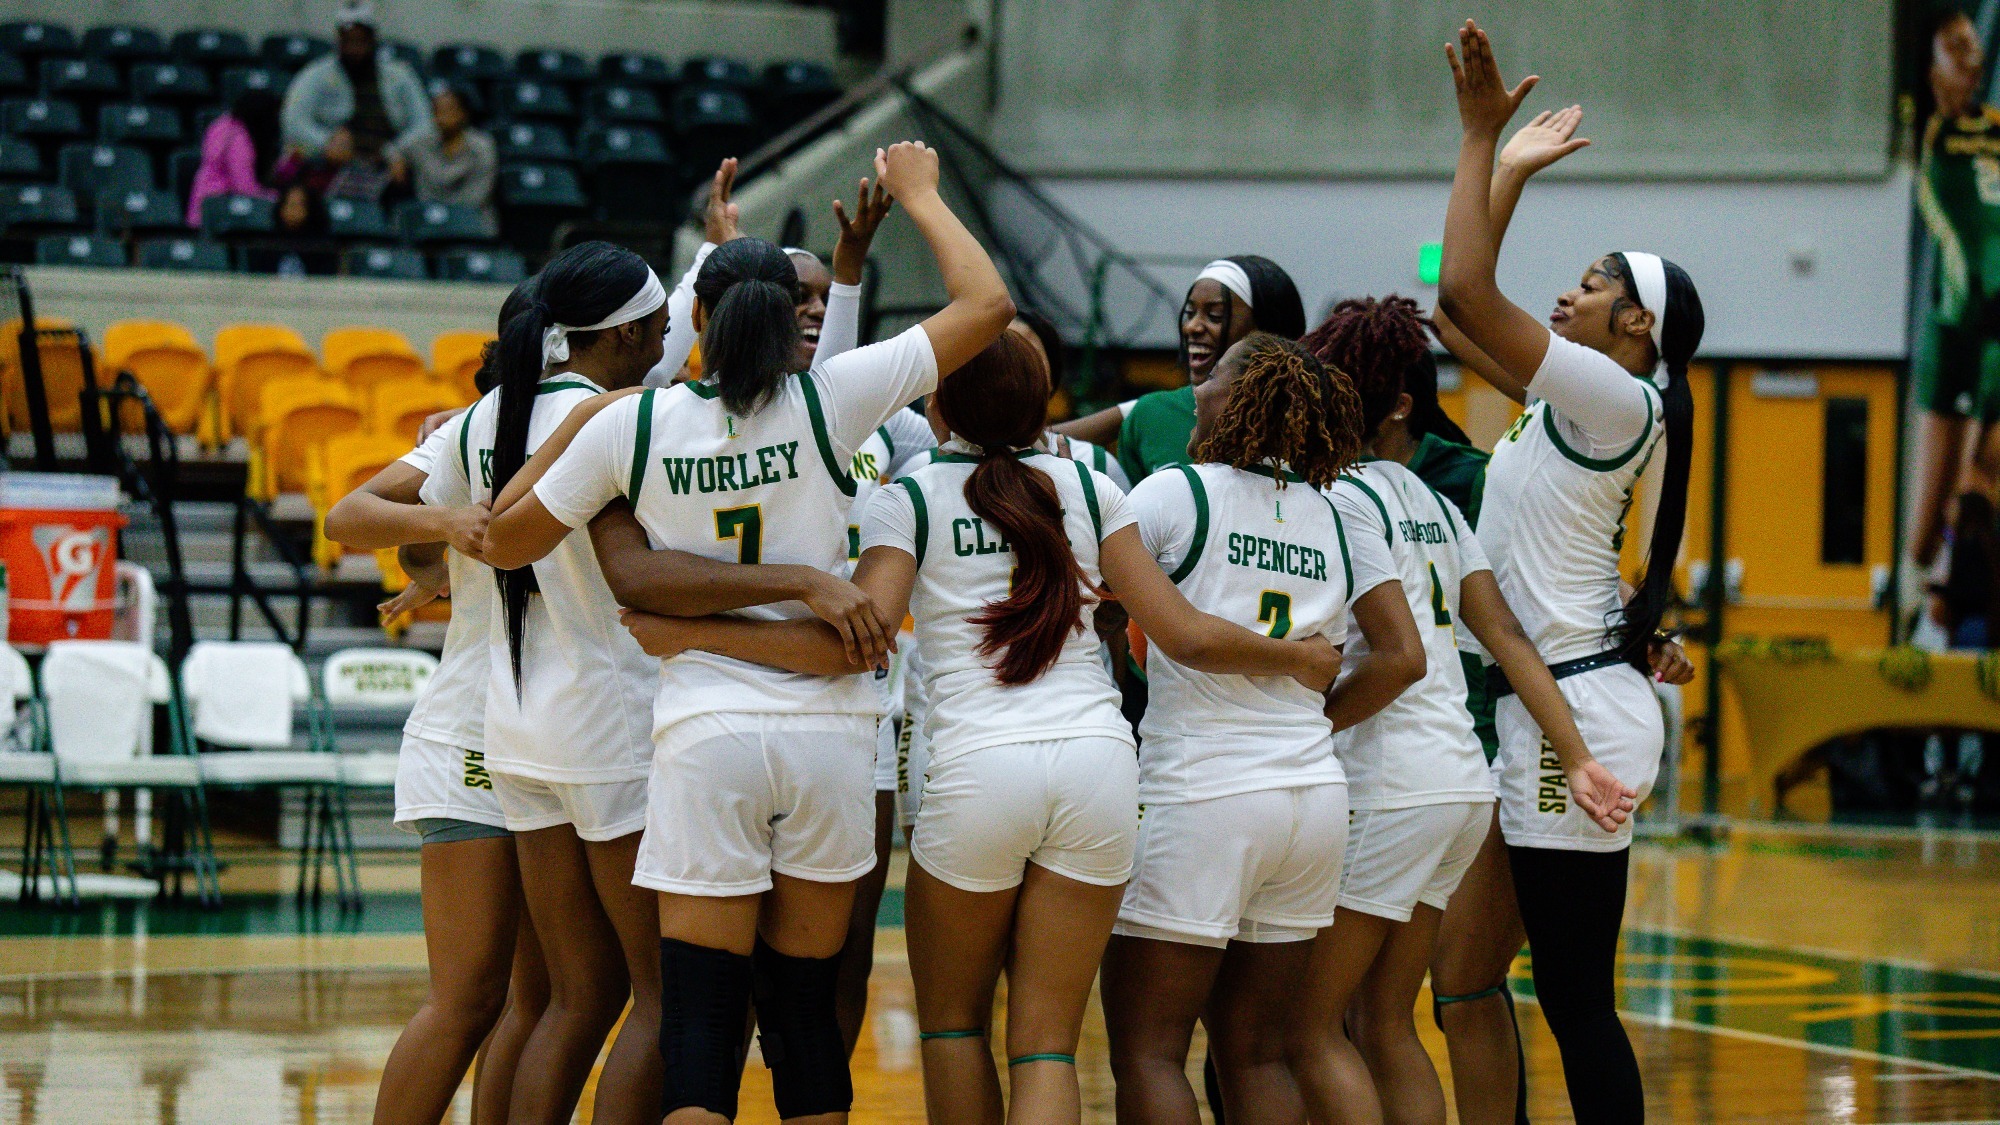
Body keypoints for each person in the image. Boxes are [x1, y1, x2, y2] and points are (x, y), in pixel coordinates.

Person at [617, 327, 1340, 1125]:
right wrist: (1301, 657)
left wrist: (693, 633)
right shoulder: (1092, 487)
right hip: (1098, 763)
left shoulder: (910, 497)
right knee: (1046, 1047)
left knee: (955, 1026)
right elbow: (1180, 629)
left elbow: (853, 646)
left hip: (979, 769)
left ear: (941, 407)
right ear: (1040, 404)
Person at [480, 140, 1015, 1125]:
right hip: (828, 737)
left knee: (698, 1015)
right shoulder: (835, 399)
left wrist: (585, 439)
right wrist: (922, 196)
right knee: (806, 1012)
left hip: (705, 737)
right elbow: (987, 305)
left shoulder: (632, 427)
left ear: (697, 319)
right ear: (783, 317)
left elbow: (501, 539)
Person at [1436, 22, 1705, 1123]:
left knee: (1575, 998)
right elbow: (1447, 304)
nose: (1568, 293)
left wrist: (1482, 147)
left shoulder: (1616, 399)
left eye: (1590, 286)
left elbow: (1466, 282)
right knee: (1466, 978)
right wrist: (1496, 169)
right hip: (1550, 697)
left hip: (1573, 713)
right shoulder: (1575, 401)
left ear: (1634, 323)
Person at [1305, 295, 1634, 1125]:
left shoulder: (1340, 498)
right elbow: (1509, 636)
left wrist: (1302, 730)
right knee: (1385, 1019)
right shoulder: (1436, 504)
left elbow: (1400, 658)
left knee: (1307, 1027)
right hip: (1459, 787)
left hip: (1389, 782)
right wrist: (1577, 756)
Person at [1097, 331, 1408, 1125]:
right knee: (1259, 1051)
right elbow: (1390, 654)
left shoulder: (1176, 492)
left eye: (1208, 382)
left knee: (1148, 1050)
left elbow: (1164, 624)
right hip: (1311, 796)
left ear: (1236, 397)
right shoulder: (1339, 513)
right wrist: (1302, 676)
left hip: (1204, 791)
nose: (1192, 394)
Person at [431, 242, 668, 1125]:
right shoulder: (627, 420)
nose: (671, 340)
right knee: (661, 994)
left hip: (519, 724)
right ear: (628, 332)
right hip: (609, 721)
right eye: (661, 325)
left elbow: (409, 536)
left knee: (573, 994)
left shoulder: (482, 416)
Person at [321, 283, 549, 1125]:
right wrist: (448, 528)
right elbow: (351, 515)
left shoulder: (580, 423)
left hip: (545, 735)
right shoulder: (474, 429)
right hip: (472, 734)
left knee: (537, 997)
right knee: (468, 997)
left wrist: (436, 567)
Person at [1055, 256, 1306, 485]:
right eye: (1189, 313)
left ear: (1267, 331)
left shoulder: (1304, 418)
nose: (1192, 327)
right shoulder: (1152, 413)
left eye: (1215, 315)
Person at [1913, 7, 2000, 576]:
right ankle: (1929, 583)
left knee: (1978, 474)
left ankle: (1960, 579)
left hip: (1993, 322)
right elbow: (1954, 221)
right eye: (1957, 48)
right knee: (1933, 500)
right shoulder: (1935, 134)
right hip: (1957, 318)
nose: (1973, 58)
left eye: (1974, 46)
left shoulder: (1993, 127)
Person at [280, 0, 431, 190]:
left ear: (373, 39)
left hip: (387, 166)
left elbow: (424, 125)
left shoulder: (400, 76)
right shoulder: (316, 74)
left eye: (361, 41)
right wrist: (325, 142)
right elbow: (293, 121)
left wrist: (397, 151)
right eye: (348, 41)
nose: (354, 49)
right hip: (334, 166)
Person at [390, 82, 497, 228]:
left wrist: (445, 215)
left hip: (471, 221)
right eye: (437, 111)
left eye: (448, 110)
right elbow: (392, 148)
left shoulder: (482, 147)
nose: (441, 117)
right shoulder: (422, 141)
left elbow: (478, 195)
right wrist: (396, 159)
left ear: (464, 113)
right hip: (428, 219)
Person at [186, 89, 289, 227]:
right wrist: (276, 199)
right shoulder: (237, 137)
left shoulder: (222, 123)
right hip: (220, 210)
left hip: (208, 207)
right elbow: (244, 187)